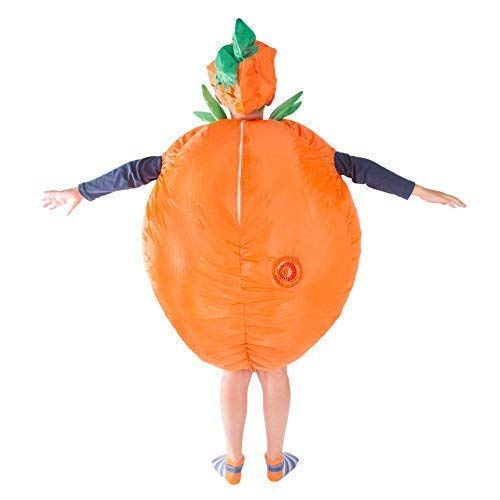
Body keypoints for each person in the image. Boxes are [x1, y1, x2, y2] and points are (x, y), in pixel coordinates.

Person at [41, 19, 465, 485]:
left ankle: (233, 462)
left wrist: (81, 192)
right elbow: (355, 168)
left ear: (222, 94)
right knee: (275, 366)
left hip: (219, 285)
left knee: (233, 370)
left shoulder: (196, 144)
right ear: (269, 91)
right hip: (278, 284)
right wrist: (417, 191)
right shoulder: (297, 140)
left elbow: (137, 171)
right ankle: (276, 462)